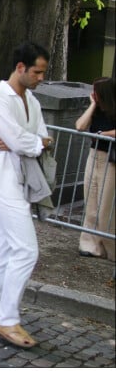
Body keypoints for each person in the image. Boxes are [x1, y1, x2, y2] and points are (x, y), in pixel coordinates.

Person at [0, 42, 54, 348]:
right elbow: (21, 141)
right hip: (4, 185)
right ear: (20, 67)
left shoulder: (31, 100)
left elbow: (40, 137)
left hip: (21, 183)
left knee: (5, 250)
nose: (41, 77)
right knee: (26, 250)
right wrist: (33, 141)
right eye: (37, 71)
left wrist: (34, 142)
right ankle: (6, 319)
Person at [75, 77, 115, 261]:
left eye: (96, 91)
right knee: (90, 200)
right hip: (94, 155)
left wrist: (103, 134)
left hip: (110, 160)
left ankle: (109, 247)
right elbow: (80, 126)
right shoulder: (96, 110)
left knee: (105, 205)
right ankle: (89, 244)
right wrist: (92, 105)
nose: (93, 94)